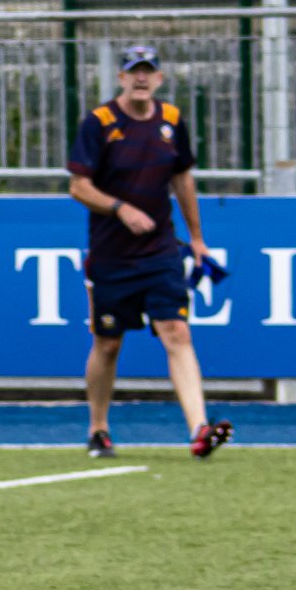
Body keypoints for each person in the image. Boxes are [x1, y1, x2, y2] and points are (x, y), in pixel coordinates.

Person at [66, 44, 230, 460]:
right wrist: (120, 209)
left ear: (159, 78)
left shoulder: (171, 119)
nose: (141, 78)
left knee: (177, 332)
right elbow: (78, 186)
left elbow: (182, 179)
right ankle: (98, 428)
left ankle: (199, 429)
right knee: (108, 342)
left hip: (160, 251)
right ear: (121, 78)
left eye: (148, 71)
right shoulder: (100, 122)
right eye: (133, 71)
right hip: (111, 255)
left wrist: (197, 238)